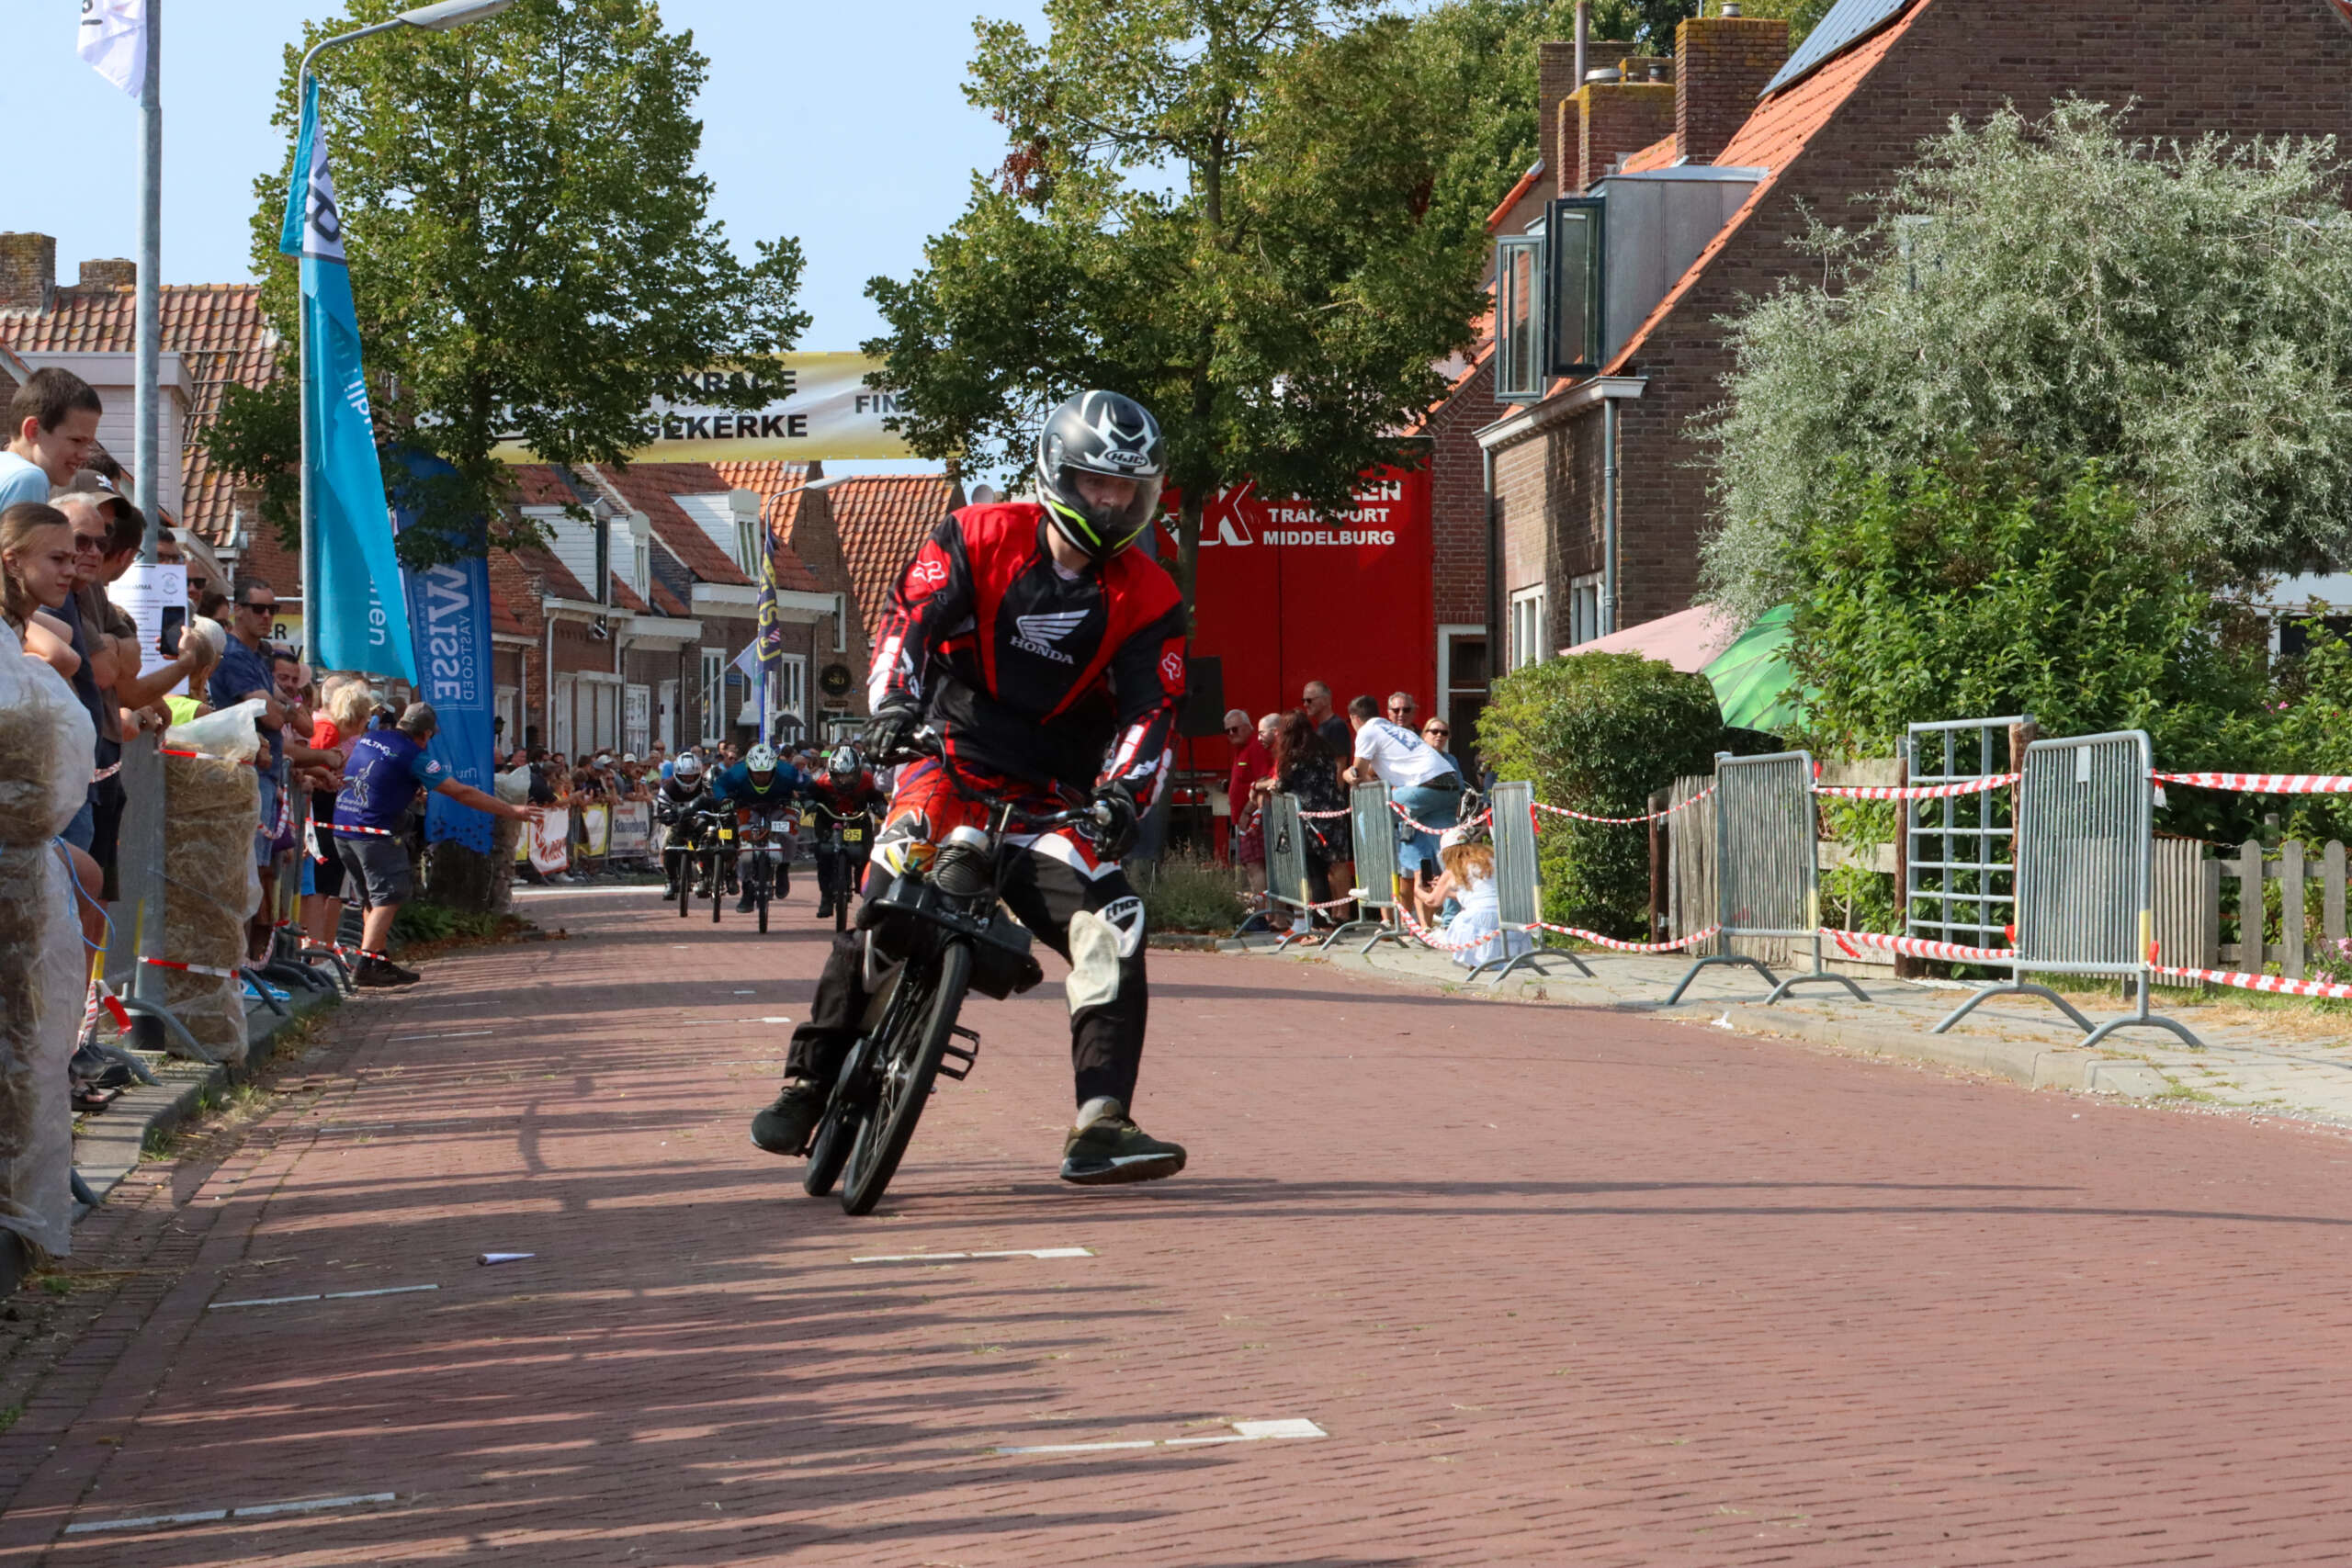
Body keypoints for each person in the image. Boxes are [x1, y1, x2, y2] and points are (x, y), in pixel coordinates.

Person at [751, 388, 1190, 1186]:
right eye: (1097, 482)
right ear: (1059, 472)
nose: (1111, 502)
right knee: (887, 898)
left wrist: (1124, 795)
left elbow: (1151, 712)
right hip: (943, 759)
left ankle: (1101, 1121)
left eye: (1127, 489)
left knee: (1115, 925)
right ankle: (808, 1083)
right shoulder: (976, 533)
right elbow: (907, 621)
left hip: (1052, 800)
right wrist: (890, 704)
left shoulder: (1151, 596)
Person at [333, 702, 541, 987]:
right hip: (375, 832)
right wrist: (512, 810)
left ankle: (379, 960)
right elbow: (461, 792)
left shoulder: (371, 737)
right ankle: (366, 964)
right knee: (389, 896)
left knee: (372, 898)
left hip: (343, 826)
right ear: (426, 734)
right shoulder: (415, 756)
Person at [210, 581, 289, 962]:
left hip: (265, 773)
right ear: (237, 609)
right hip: (244, 771)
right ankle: (237, 963)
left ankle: (247, 964)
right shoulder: (234, 655)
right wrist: (283, 708)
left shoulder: (260, 656)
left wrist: (282, 707)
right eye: (258, 608)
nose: (266, 616)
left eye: (272, 609)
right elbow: (274, 717)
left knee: (258, 871)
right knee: (247, 872)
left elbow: (290, 715)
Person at [1342, 693, 1463, 909]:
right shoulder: (1395, 731)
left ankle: (1376, 883)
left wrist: (1345, 774)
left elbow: (1357, 774)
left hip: (1424, 786)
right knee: (1447, 851)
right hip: (1449, 785)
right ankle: (1455, 916)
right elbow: (1373, 774)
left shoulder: (1367, 730)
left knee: (1368, 816)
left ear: (1355, 718)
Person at [1254, 707, 1350, 919]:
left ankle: (1319, 924)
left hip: (1311, 821)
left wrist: (1259, 786)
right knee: (1331, 867)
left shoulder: (1294, 756)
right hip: (1333, 816)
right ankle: (1334, 916)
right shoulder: (1323, 750)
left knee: (1315, 872)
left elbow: (1281, 785)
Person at [708, 741, 806, 910]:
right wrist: (724, 799)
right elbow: (719, 785)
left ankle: (783, 868)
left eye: (766, 773)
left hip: (779, 809)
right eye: (757, 773)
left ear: (774, 768)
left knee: (790, 832)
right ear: (748, 769)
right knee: (745, 847)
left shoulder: (787, 771)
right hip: (749, 810)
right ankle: (747, 890)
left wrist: (804, 799)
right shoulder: (737, 772)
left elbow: (808, 784)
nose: (761, 777)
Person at [1429, 824, 1532, 969]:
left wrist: (1417, 889)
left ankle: (1474, 959)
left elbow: (1432, 901)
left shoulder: (1452, 870)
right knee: (1478, 915)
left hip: (1481, 918)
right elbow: (1479, 895)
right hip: (1511, 914)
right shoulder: (1490, 859)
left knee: (1460, 921)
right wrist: (1446, 892)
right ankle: (1501, 959)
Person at [803, 741, 886, 920]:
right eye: (840, 776)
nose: (844, 780)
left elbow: (877, 797)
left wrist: (880, 806)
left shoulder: (866, 781)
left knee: (865, 853)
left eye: (848, 775)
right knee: (823, 855)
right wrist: (809, 803)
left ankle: (862, 885)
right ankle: (826, 897)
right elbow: (808, 795)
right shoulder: (822, 782)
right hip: (829, 820)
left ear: (857, 772)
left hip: (857, 819)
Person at [0, 367, 102, 512]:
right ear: (33, 430)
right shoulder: (28, 478)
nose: (85, 455)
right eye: (76, 440)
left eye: (89, 444)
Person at [1223, 707, 1272, 896]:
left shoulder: (1255, 747)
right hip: (1248, 820)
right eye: (1227, 731)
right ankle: (1265, 908)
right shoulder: (1241, 749)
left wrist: (1247, 811)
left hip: (1255, 819)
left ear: (1247, 727)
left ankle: (1264, 909)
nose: (1231, 734)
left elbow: (1264, 782)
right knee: (1252, 866)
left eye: (1234, 729)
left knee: (1255, 865)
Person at [654, 750, 711, 900]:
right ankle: (670, 881)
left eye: (691, 777)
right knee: (668, 845)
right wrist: (667, 815)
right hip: (676, 822)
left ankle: (704, 877)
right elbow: (661, 809)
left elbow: (713, 804)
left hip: (698, 820)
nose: (688, 780)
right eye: (684, 777)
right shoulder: (668, 787)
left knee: (707, 841)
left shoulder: (706, 786)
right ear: (677, 775)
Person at [1301, 680, 1351, 754]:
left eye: (1309, 700)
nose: (1305, 705)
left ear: (1325, 700)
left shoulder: (1337, 726)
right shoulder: (1322, 727)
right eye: (1303, 700)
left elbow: (1340, 760)